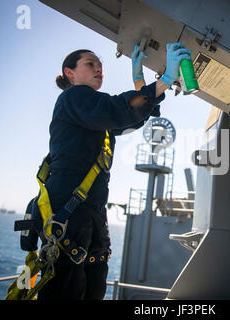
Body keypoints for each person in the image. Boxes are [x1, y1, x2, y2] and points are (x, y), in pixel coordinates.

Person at [36, 42, 191, 300]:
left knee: (92, 287)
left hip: (88, 210)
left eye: (100, 65)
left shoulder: (92, 113)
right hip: (69, 209)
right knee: (67, 290)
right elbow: (116, 109)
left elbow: (132, 117)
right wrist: (165, 80)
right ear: (70, 73)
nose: (99, 69)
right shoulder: (75, 97)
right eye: (90, 64)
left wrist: (140, 79)